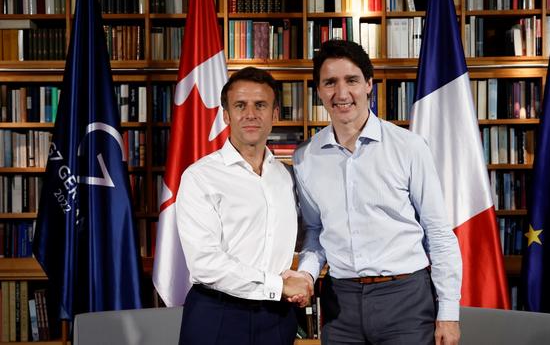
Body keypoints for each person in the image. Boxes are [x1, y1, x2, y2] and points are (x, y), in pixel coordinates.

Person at [289, 40, 463, 345]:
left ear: (369, 85)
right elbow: (316, 232)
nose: (341, 94)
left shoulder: (409, 147)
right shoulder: (306, 158)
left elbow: (437, 233)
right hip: (339, 304)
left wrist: (448, 313)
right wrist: (305, 274)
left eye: (352, 80)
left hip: (405, 299)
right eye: (330, 82)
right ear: (318, 91)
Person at [176, 66, 313, 345]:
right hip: (218, 314)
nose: (251, 114)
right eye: (240, 105)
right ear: (226, 115)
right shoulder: (199, 177)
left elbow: (305, 234)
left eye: (260, 105)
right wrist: (280, 285)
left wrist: (303, 278)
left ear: (275, 114)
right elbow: (205, 263)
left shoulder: (286, 176)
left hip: (277, 316)